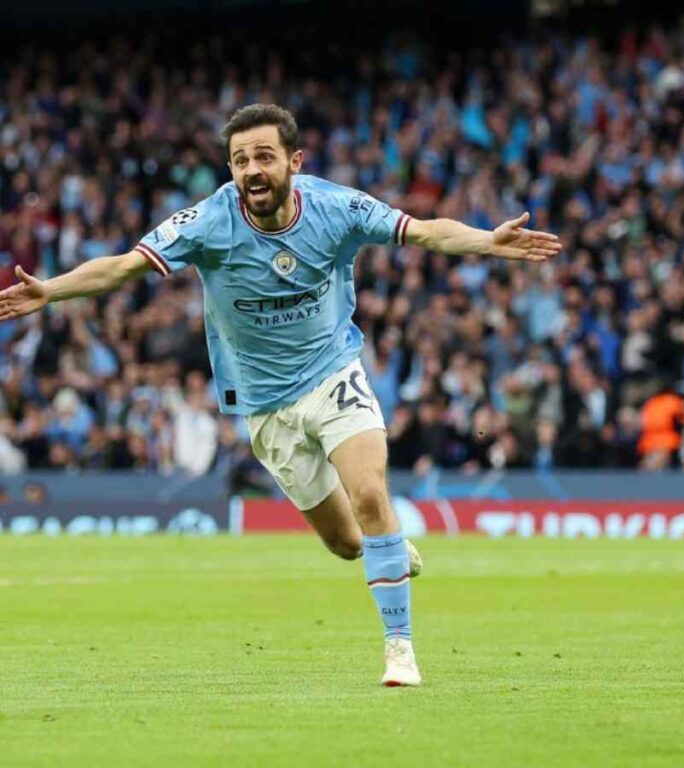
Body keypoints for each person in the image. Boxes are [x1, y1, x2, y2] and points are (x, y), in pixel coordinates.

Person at [0, 103, 562, 685]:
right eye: (240, 160)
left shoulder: (336, 207)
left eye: (264, 156)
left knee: (370, 492)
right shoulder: (208, 221)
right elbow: (122, 268)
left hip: (333, 374)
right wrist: (53, 291)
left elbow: (421, 231)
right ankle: (388, 545)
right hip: (267, 407)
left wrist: (485, 241)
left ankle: (399, 647)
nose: (252, 169)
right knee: (348, 543)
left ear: (294, 161)